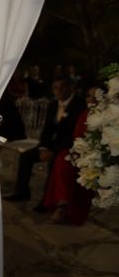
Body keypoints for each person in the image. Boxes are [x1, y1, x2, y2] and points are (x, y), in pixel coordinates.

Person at [4, 76, 86, 202]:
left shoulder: (79, 105)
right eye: (55, 88)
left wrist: (53, 151)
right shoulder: (53, 104)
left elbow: (74, 133)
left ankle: (47, 200)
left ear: (70, 88)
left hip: (70, 145)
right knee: (26, 156)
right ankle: (22, 192)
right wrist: (43, 148)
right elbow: (47, 129)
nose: (58, 91)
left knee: (55, 161)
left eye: (62, 87)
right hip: (52, 144)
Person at [41, 85, 99, 223]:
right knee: (62, 158)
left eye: (95, 96)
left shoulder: (109, 116)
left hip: (96, 154)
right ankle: (61, 202)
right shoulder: (84, 114)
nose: (90, 99)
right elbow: (76, 137)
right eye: (89, 96)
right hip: (81, 151)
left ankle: (65, 205)